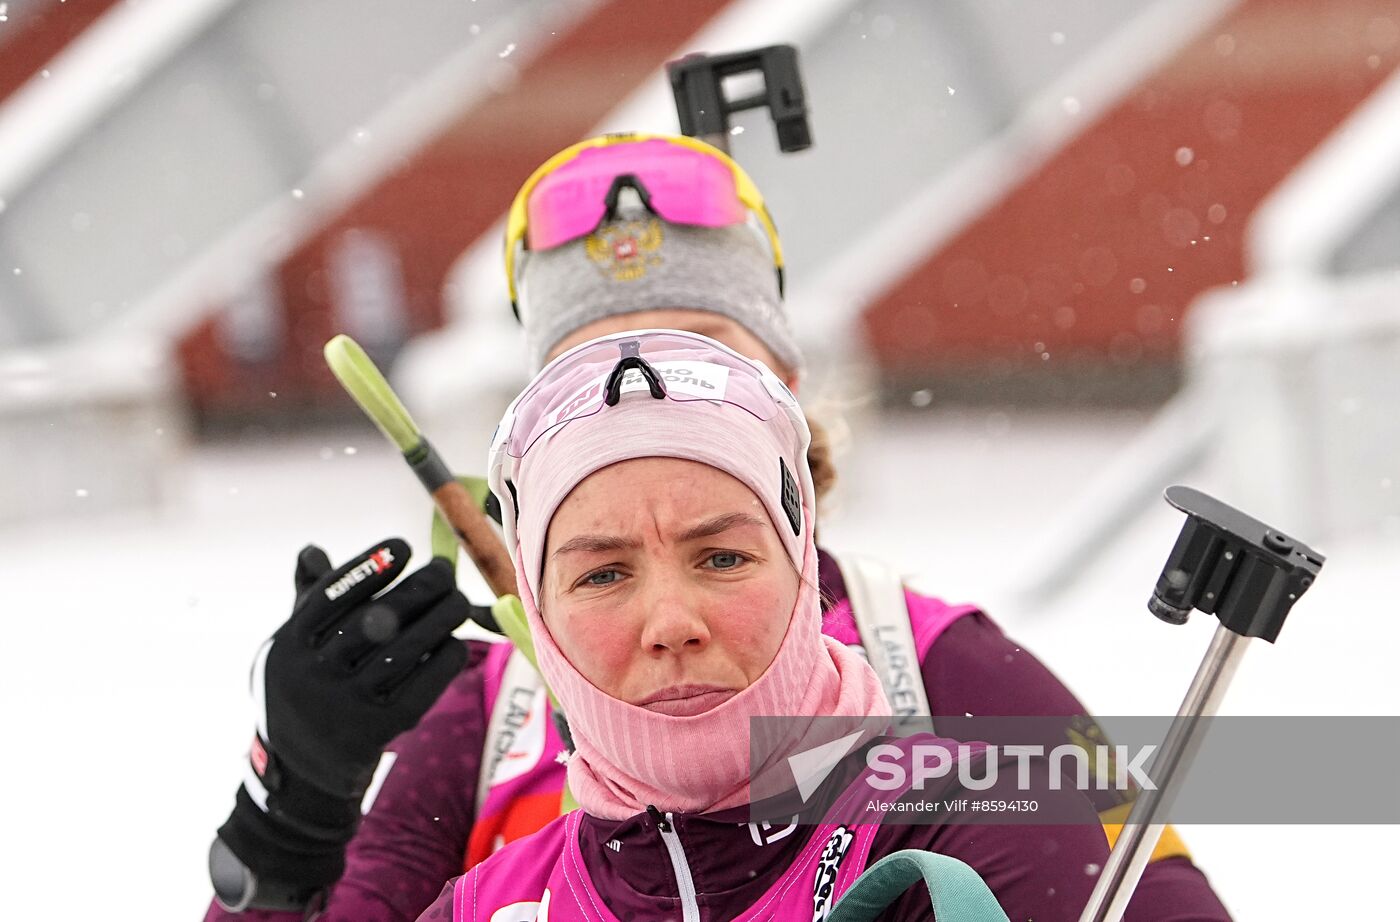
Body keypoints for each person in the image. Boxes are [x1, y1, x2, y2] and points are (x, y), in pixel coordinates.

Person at [204, 133, 1230, 920]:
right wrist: (291, 810)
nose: (649, 398)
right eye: (595, 370)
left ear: (786, 392)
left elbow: (1138, 885)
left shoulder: (929, 662)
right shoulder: (491, 717)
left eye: (701, 354)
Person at [418, 327, 1112, 919]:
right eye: (603, 574)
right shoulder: (486, 906)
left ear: (803, 569)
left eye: (722, 558)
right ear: (541, 614)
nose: (672, 623)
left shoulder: (975, 825)